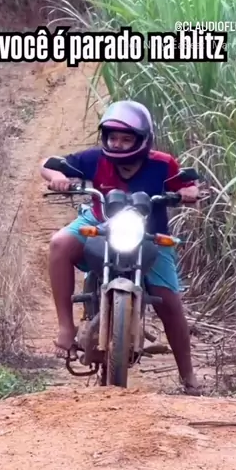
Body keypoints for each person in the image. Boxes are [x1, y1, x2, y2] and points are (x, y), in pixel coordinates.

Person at [40, 99, 201, 396]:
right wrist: (58, 178)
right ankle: (65, 327)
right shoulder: (94, 158)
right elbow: (48, 164)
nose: (118, 144)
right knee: (59, 243)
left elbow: (184, 185)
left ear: (143, 140)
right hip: (100, 222)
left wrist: (188, 191)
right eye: (113, 137)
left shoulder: (162, 163)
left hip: (149, 232)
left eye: (126, 139)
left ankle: (189, 377)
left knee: (170, 302)